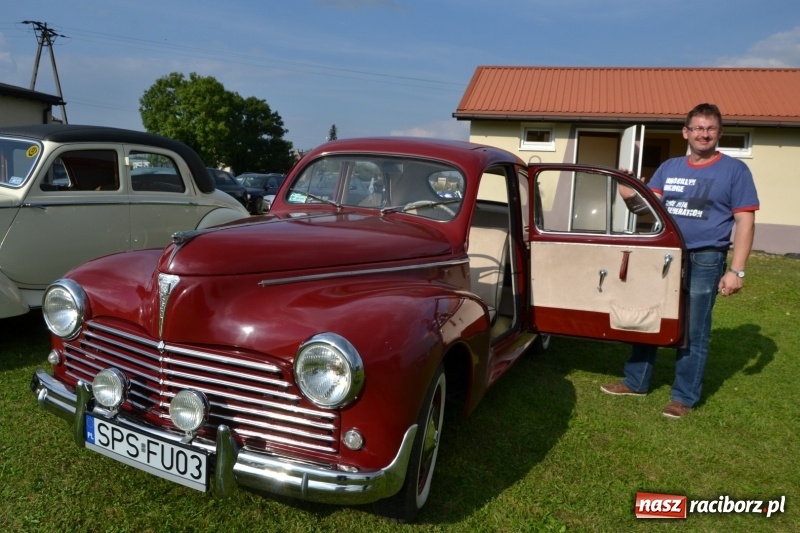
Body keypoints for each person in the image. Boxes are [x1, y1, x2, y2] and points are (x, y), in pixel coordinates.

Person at [602, 103, 760, 419]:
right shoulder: (670, 167)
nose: (704, 134)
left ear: (720, 133)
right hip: (664, 255)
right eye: (698, 128)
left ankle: (683, 397)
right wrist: (629, 194)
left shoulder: (734, 170)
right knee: (649, 317)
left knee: (694, 329)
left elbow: (745, 221)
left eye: (710, 128)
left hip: (705, 258)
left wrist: (736, 270)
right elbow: (646, 210)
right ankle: (636, 381)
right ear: (686, 132)